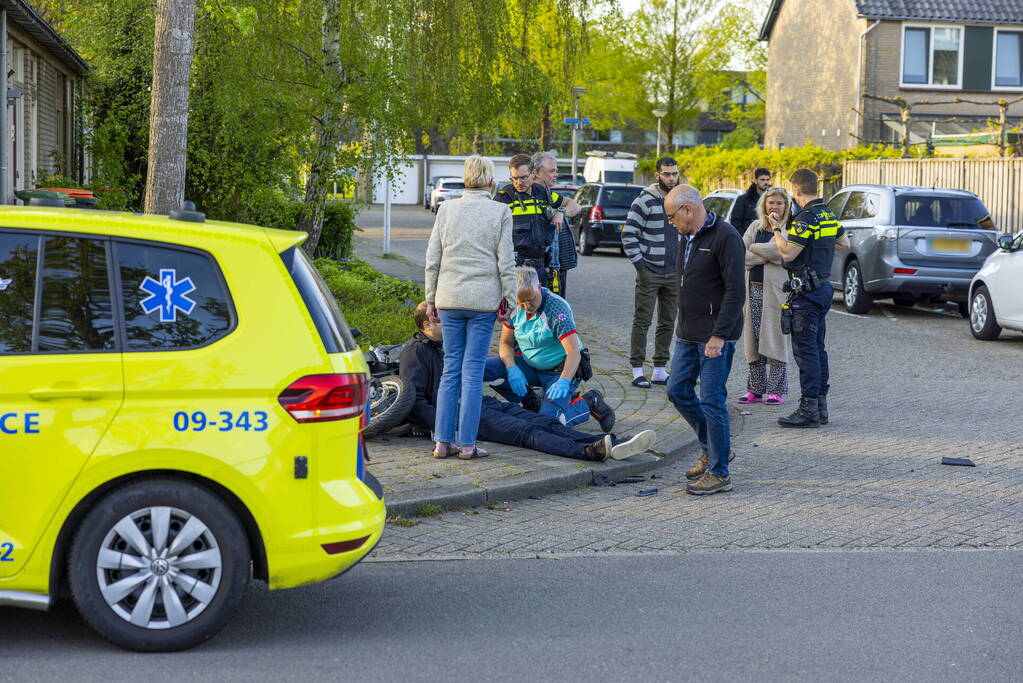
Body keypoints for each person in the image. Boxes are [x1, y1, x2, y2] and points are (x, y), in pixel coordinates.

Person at [400, 302, 657, 462]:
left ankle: (614, 441)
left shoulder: (448, 347)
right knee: (526, 432)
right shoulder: (416, 352)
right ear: (427, 323)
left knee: (541, 421)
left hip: (479, 403)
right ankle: (589, 451)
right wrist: (449, 427)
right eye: (444, 317)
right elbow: (414, 402)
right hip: (462, 415)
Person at [424, 155, 516, 459]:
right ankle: (466, 444)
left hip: (449, 298)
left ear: (465, 180)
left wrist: (429, 298)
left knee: (451, 369)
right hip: (483, 301)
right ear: (491, 181)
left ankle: (441, 442)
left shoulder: (446, 209)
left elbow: (433, 258)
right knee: (473, 371)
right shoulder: (500, 211)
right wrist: (510, 300)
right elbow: (506, 261)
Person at [664, 184, 745, 496]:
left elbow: (735, 291)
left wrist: (719, 334)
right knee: (677, 390)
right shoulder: (686, 236)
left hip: (714, 337)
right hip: (687, 333)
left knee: (712, 400)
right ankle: (712, 448)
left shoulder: (726, 237)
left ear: (687, 209)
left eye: (672, 216)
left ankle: (720, 471)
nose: (670, 222)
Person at [483, 267, 616, 432]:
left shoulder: (557, 310)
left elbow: (573, 352)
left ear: (539, 287)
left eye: (531, 299)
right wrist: (511, 368)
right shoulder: (513, 305)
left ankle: (589, 402)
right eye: (521, 302)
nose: (526, 306)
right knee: (482, 369)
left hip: (559, 372)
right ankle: (531, 402)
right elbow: (505, 343)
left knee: (546, 424)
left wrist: (564, 381)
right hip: (530, 365)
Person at [771, 168, 850, 428]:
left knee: (806, 352)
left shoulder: (805, 218)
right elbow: (844, 243)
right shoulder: (827, 214)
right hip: (823, 289)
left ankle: (808, 410)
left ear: (796, 191)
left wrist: (776, 230)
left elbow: (789, 254)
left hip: (806, 293)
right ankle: (821, 406)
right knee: (818, 349)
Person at [622, 156, 681, 388]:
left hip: (674, 272)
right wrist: (640, 266)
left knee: (668, 321)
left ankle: (659, 369)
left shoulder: (681, 199)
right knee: (642, 320)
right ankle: (637, 369)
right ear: (657, 175)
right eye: (666, 174)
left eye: (674, 173)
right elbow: (628, 234)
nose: (671, 178)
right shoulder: (645, 200)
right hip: (649, 271)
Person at [738, 186, 793, 406]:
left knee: (776, 339)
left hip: (777, 294)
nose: (775, 206)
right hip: (753, 290)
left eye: (779, 203)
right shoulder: (754, 227)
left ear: (786, 206)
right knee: (753, 340)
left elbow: (781, 255)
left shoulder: (790, 229)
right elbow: (742, 255)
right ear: (764, 205)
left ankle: (776, 390)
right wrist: (765, 252)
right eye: (771, 202)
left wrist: (755, 248)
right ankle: (755, 388)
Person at [495, 154, 562, 288]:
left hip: (540, 270)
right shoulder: (503, 198)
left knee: (540, 308)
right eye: (514, 178)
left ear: (533, 174)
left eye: (523, 177)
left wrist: (560, 212)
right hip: (514, 270)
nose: (518, 182)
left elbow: (573, 205)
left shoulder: (543, 193)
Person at [532, 151, 582, 296]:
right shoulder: (530, 196)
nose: (556, 174)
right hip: (542, 268)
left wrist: (561, 212)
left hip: (557, 267)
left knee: (558, 310)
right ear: (536, 172)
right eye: (552, 171)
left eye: (556, 171)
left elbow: (574, 205)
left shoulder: (548, 194)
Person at [730, 167, 772, 234]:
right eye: (762, 180)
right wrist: (745, 238)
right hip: (748, 238)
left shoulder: (773, 199)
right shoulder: (743, 199)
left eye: (767, 180)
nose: (766, 182)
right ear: (755, 180)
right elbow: (735, 222)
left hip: (769, 239)